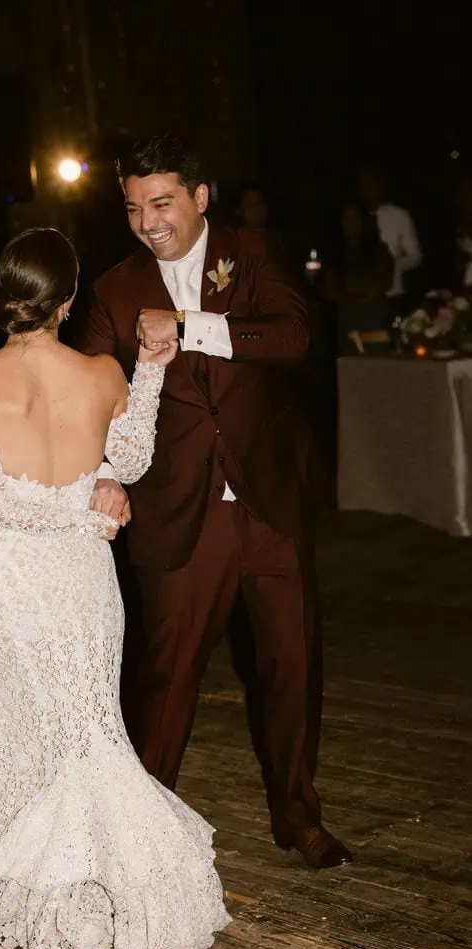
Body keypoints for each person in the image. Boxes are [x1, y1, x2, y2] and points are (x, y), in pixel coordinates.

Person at [0, 228, 230, 949]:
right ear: (68, 298)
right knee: (83, 730)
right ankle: (55, 883)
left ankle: (37, 886)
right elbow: (128, 459)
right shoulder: (100, 373)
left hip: (6, 583)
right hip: (83, 577)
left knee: (19, 727)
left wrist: (91, 500)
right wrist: (145, 381)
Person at [81, 134, 353, 869]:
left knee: (293, 663)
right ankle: (134, 837)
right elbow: (92, 399)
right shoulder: (113, 289)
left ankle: (297, 815)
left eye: (162, 202)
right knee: (167, 680)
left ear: (201, 198)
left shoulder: (255, 252)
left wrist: (192, 329)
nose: (148, 222)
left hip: (269, 501)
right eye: (134, 208)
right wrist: (104, 470)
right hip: (178, 512)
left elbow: (296, 335)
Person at [322, 201, 394, 355]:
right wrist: (348, 298)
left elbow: (385, 281)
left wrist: (363, 296)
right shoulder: (333, 253)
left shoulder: (378, 249)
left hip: (374, 318)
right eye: (346, 217)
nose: (351, 222)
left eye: (355, 217)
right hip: (347, 320)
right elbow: (329, 289)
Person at [355, 164, 422, 313]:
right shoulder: (351, 217)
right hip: (357, 294)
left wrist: (393, 265)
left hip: (391, 294)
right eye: (363, 184)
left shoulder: (399, 216)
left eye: (372, 183)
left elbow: (416, 256)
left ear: (381, 185)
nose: (368, 189)